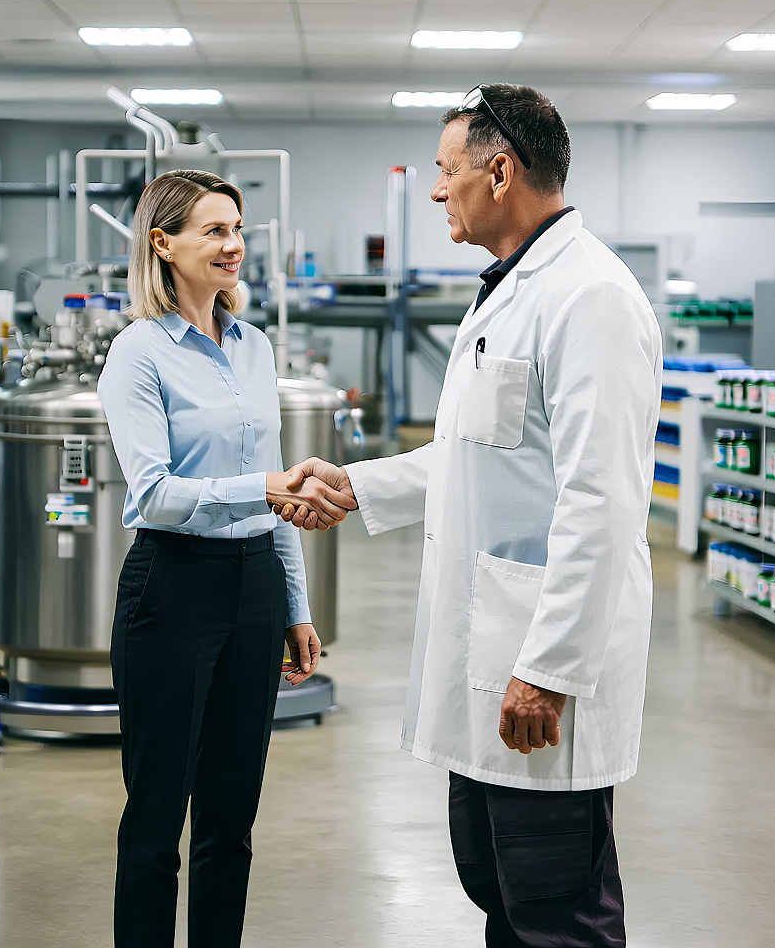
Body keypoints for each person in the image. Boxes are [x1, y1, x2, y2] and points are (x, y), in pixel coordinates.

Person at [280, 84, 662, 947]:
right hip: (492, 664)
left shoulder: (589, 296)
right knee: (499, 890)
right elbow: (475, 452)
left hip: (536, 670)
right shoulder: (510, 289)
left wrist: (551, 667)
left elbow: (601, 502)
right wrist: (355, 486)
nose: (436, 191)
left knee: (557, 910)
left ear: (500, 171)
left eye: (446, 172)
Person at [98, 168, 357, 948]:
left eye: (238, 229)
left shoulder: (253, 347)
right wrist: (266, 485)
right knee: (154, 824)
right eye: (213, 230)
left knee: (230, 819)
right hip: (171, 588)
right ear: (162, 243)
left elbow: (274, 497)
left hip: (251, 593)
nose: (234, 245)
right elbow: (155, 495)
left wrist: (295, 608)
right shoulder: (137, 354)